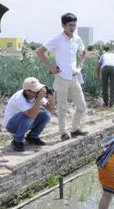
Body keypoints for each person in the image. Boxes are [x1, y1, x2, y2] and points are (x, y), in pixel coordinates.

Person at [36, 12, 88, 141]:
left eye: (74, 25)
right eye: (70, 25)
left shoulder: (77, 39)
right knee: (62, 108)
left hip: (74, 77)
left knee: (81, 107)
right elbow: (40, 52)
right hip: (61, 78)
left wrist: (80, 64)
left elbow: (84, 51)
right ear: (63, 25)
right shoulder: (57, 39)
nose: (72, 28)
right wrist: (51, 67)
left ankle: (75, 129)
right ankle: (63, 132)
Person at [3, 77, 56, 152]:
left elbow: (50, 108)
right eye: (36, 90)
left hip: (25, 121)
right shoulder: (19, 98)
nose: (38, 91)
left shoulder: (35, 94)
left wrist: (52, 98)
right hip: (11, 125)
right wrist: (39, 99)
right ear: (28, 91)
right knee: (29, 116)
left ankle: (32, 137)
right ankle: (17, 140)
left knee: (46, 115)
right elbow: (32, 115)